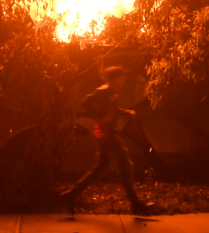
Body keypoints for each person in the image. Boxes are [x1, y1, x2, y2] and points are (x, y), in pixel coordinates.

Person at [61, 66, 154, 216]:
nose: (124, 80)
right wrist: (99, 116)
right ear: (115, 79)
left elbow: (110, 110)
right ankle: (136, 205)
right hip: (108, 135)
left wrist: (125, 112)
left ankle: (70, 195)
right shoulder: (104, 90)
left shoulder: (111, 93)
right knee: (126, 167)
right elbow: (85, 101)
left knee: (99, 169)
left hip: (105, 135)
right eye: (122, 78)